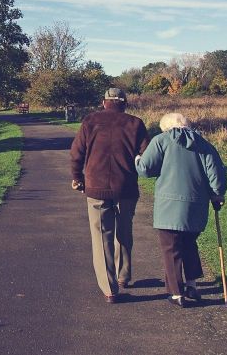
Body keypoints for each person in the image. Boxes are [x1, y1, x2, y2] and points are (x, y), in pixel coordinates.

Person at [135, 112, 227, 307]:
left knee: (171, 248)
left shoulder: (161, 141)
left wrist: (137, 159)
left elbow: (145, 169)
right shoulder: (204, 144)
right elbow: (216, 175)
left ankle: (176, 293)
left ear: (166, 127)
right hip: (196, 205)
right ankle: (192, 285)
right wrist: (217, 195)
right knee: (189, 244)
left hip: (168, 206)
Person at [70, 88, 149, 303]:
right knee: (124, 232)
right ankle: (123, 276)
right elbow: (146, 155)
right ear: (124, 103)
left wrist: (77, 177)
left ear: (104, 102)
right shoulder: (135, 123)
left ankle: (110, 289)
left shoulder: (90, 121)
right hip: (126, 188)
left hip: (96, 188)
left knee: (101, 237)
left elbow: (77, 152)